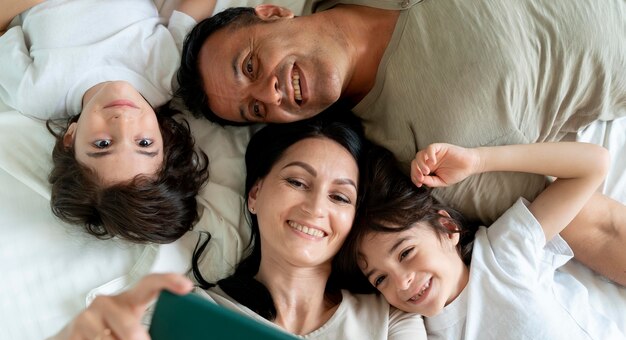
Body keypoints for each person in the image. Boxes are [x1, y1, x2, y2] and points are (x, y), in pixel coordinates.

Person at [175, 1, 626, 284]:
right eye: (255, 110)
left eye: (250, 65)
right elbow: (601, 229)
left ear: (273, 12)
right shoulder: (429, 157)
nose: (269, 94)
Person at [22, 112, 438, 340]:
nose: (315, 207)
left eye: (340, 197)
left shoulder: (389, 319)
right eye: (297, 181)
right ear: (255, 195)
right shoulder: (189, 315)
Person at [336, 139, 626, 340]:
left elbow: (593, 164)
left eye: (406, 253)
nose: (401, 283)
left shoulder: (502, 253)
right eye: (380, 280)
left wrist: (478, 160)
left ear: (448, 228)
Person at [0, 0, 217, 243]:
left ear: (70, 138)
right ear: (164, 137)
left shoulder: (35, 93)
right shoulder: (167, 74)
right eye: (144, 143)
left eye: (102, 144)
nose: (122, 122)